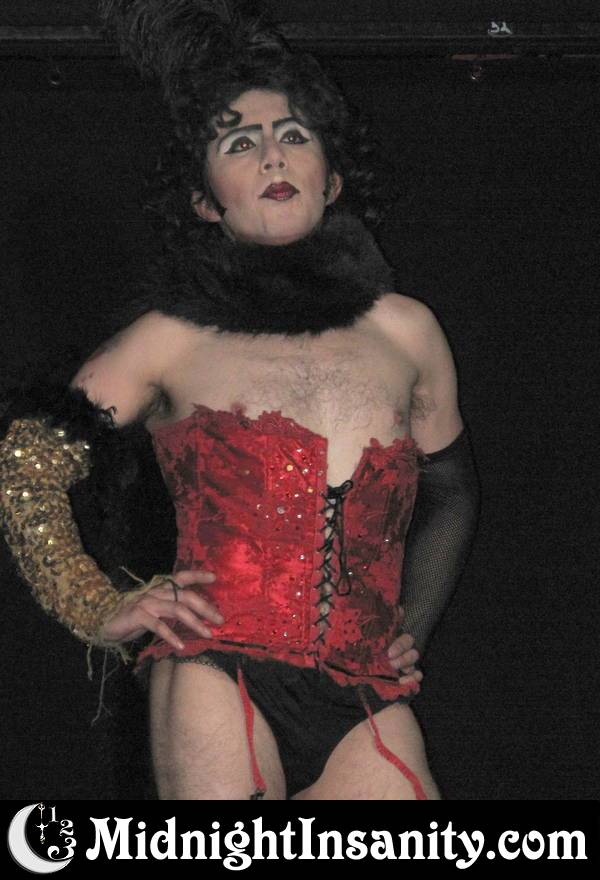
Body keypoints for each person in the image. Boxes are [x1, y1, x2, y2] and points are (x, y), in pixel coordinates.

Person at [0, 1, 478, 800]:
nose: (271, 155)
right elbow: (27, 463)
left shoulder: (407, 332)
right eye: (238, 142)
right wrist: (94, 604)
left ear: (331, 180)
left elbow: (453, 491)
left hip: (362, 690)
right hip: (215, 666)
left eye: (293, 135)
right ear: (204, 200)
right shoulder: (171, 338)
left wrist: (410, 627)